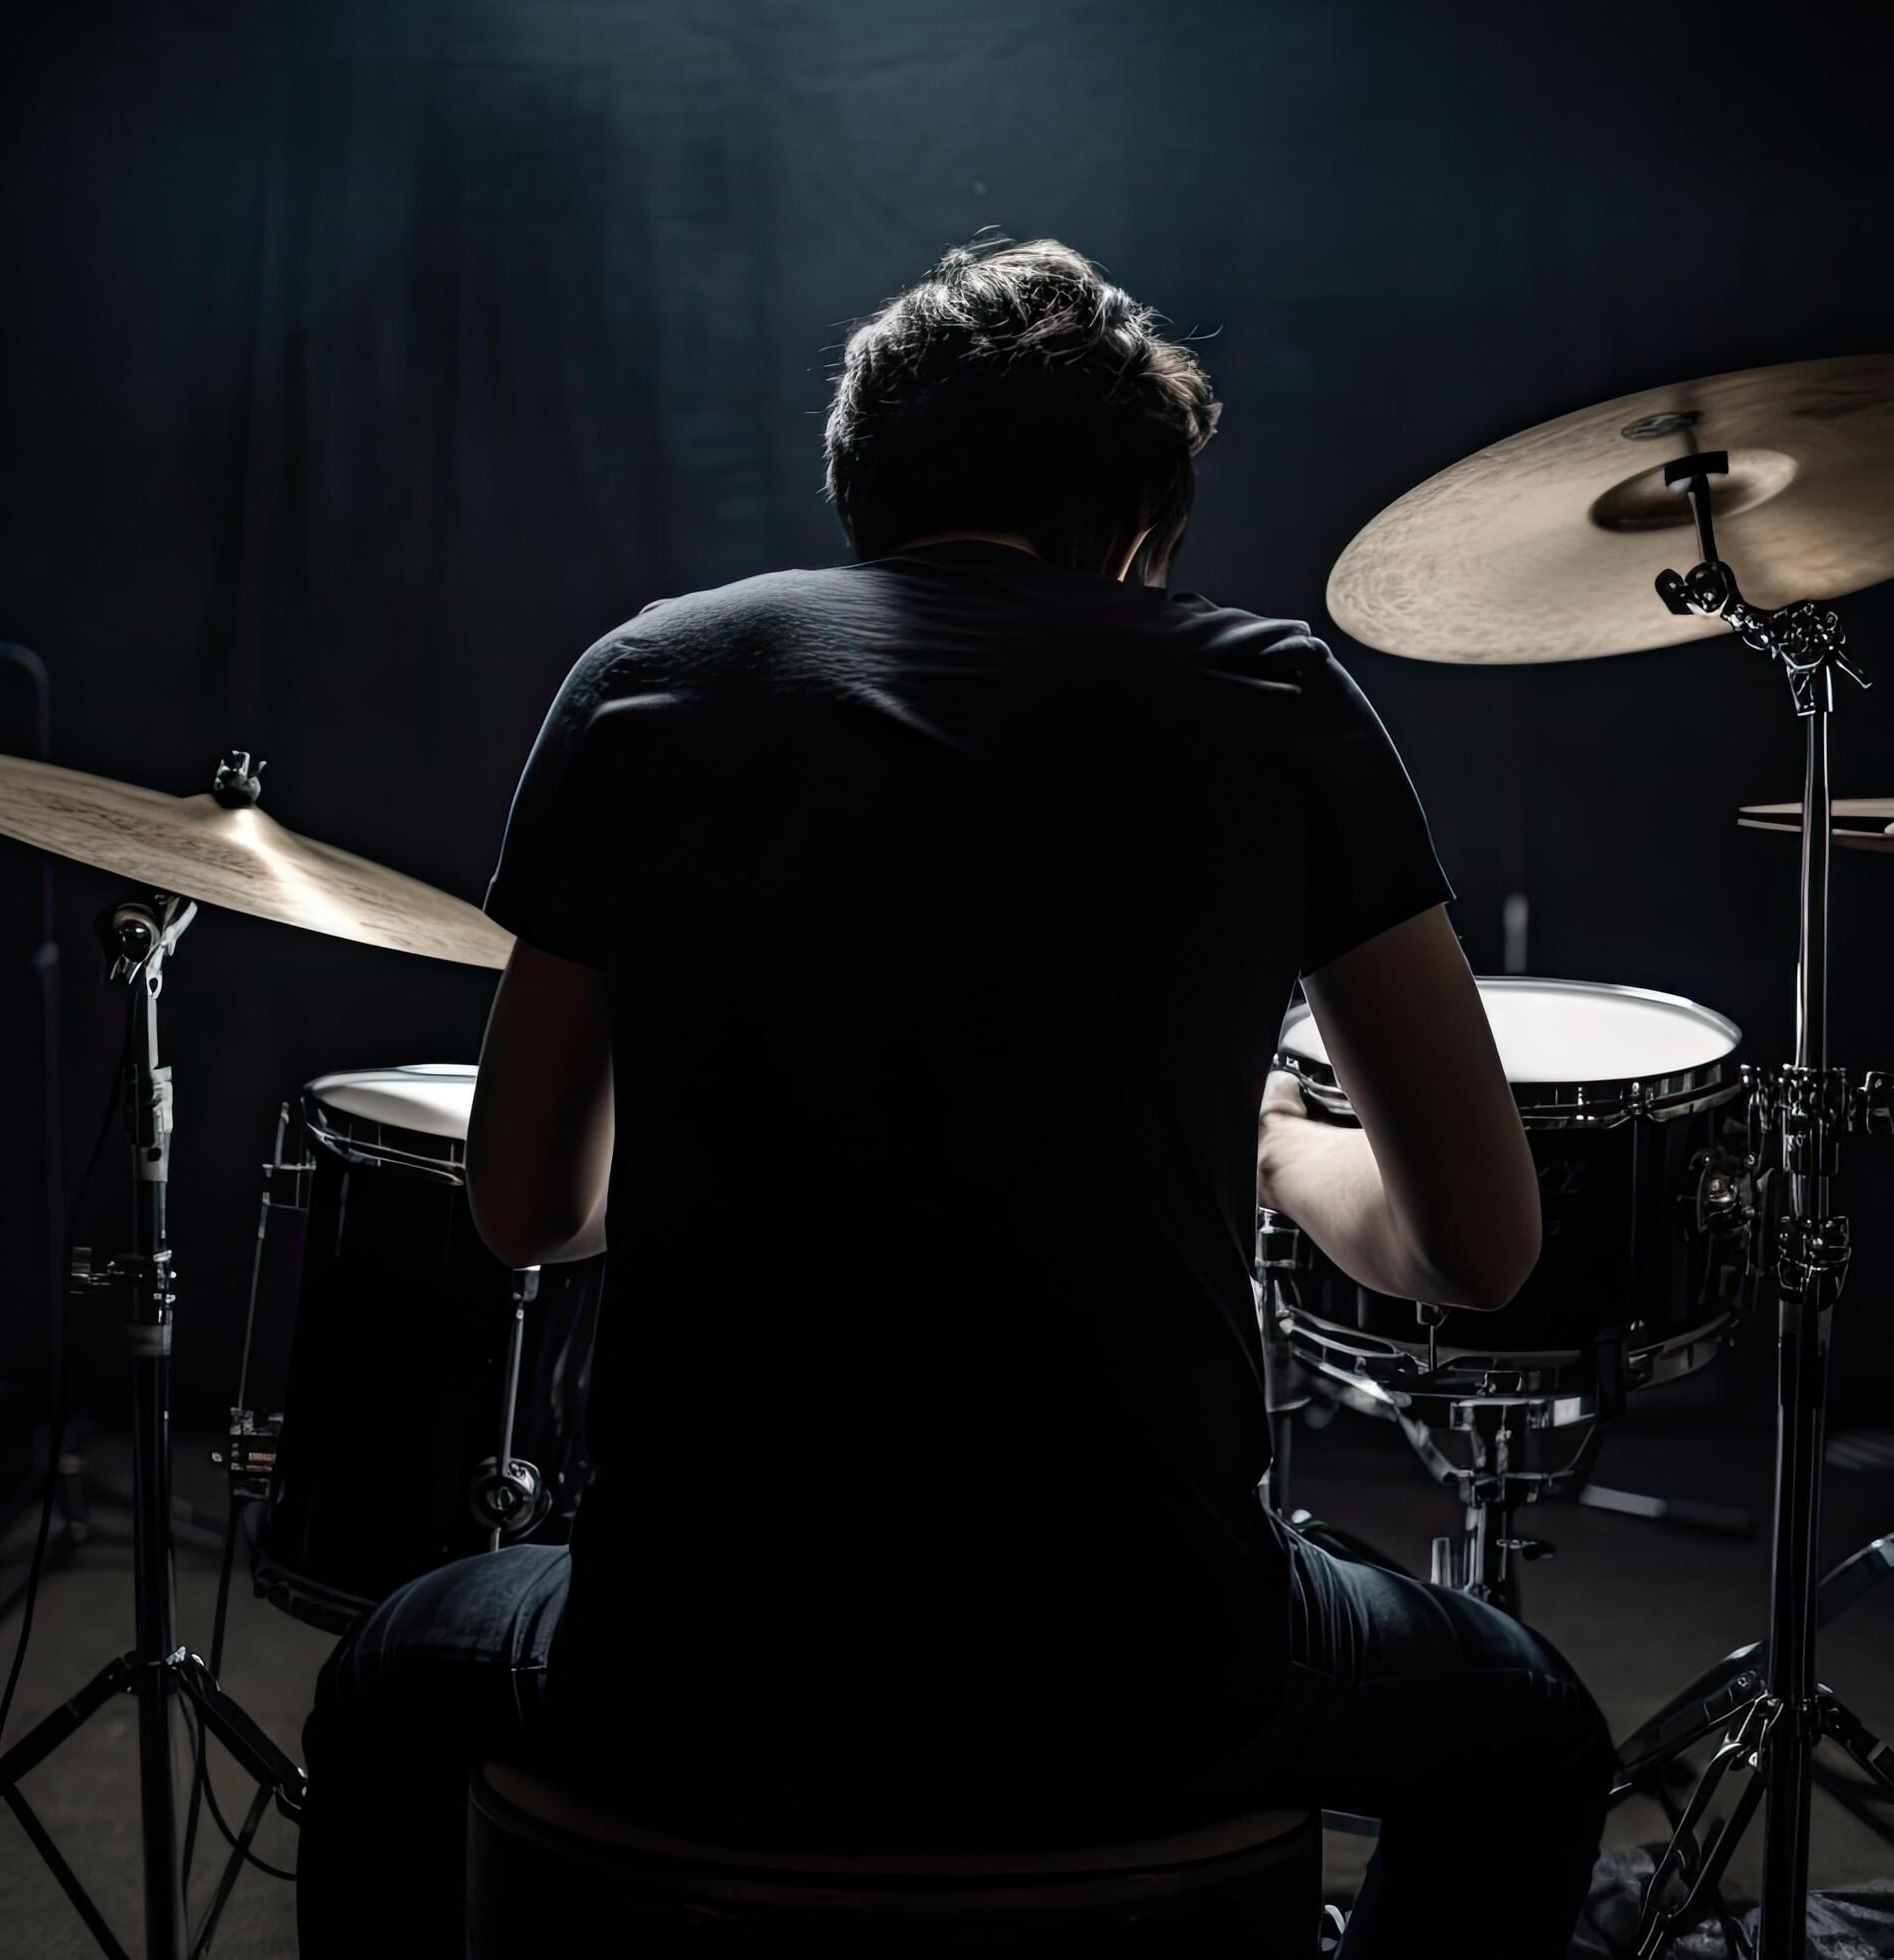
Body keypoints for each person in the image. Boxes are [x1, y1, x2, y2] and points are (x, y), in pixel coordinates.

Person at [299, 236, 1613, 1957]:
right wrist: (1283, 1149)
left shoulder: (650, 676)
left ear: (862, 490)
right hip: (1155, 1678)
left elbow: (526, 1211)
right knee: (1525, 1730)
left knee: (387, 1686)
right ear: (1141, 526)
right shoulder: (1273, 697)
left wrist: (728, 1103)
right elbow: (1478, 1251)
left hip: (690, 1669)